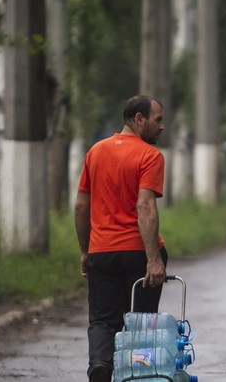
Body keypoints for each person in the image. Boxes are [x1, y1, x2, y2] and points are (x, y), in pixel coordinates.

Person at [74, 95, 168, 382]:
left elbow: (80, 206)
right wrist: (153, 259)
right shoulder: (150, 156)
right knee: (140, 322)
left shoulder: (96, 152)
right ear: (139, 120)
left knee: (102, 320)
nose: (162, 127)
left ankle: (100, 365)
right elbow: (145, 206)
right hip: (137, 253)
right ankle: (137, 375)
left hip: (101, 251)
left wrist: (86, 251)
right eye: (158, 120)